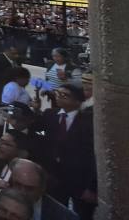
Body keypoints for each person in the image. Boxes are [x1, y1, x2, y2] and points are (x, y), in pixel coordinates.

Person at [34, 84, 96, 219]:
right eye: (58, 93)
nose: (59, 97)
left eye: (65, 95)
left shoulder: (88, 122)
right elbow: (39, 134)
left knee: (82, 213)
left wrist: (91, 187)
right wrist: (36, 111)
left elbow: (92, 156)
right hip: (53, 177)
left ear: (77, 101)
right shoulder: (50, 114)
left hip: (79, 179)